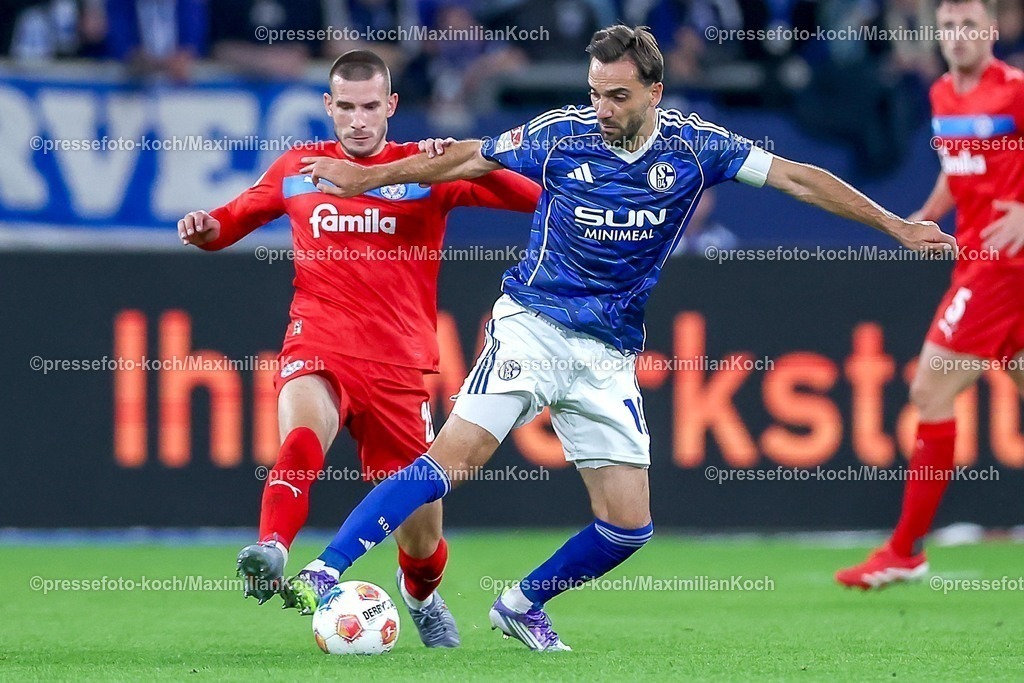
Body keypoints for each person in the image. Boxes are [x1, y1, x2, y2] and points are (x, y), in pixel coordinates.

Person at [283, 25, 955, 650]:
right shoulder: (560, 135)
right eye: (596, 93)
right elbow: (463, 160)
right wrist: (368, 177)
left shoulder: (698, 148)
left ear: (654, 92)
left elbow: (798, 178)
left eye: (618, 95)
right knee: (455, 458)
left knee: (628, 524)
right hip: (535, 322)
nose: (602, 108)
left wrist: (897, 226)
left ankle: (522, 603)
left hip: (607, 351)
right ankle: (324, 567)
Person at [176, 49, 540, 646]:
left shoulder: (423, 168)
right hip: (319, 343)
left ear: (392, 106)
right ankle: (272, 547)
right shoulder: (299, 167)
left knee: (421, 539)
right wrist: (203, 227)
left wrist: (475, 164)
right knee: (300, 431)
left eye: (370, 106)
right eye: (345, 107)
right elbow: (228, 223)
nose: (358, 120)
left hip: (399, 369)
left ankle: (420, 594)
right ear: (328, 106)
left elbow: (527, 198)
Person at [836, 0, 1024, 590]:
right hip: (976, 257)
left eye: (969, 25)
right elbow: (958, 168)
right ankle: (905, 551)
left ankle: (904, 550)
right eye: (947, 27)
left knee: (928, 387)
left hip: (1001, 266)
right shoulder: (943, 96)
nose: (957, 36)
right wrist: (925, 214)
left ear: (990, 31)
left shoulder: (1015, 90)